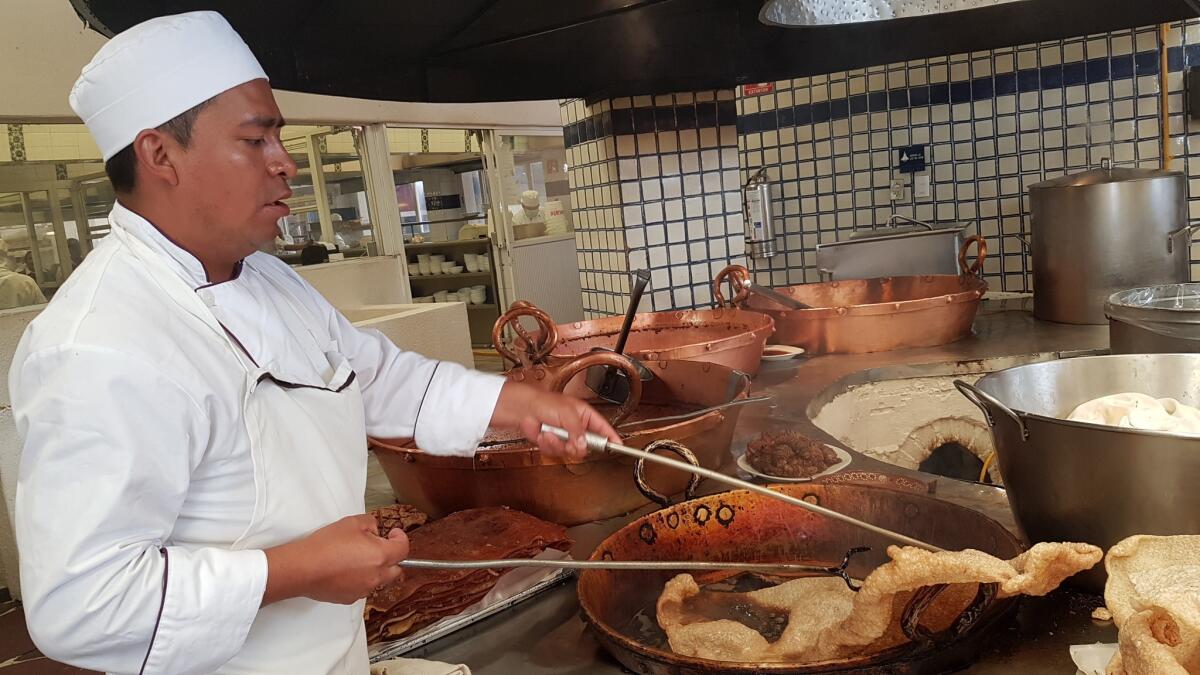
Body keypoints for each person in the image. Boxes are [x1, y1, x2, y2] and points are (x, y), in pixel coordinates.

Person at [10, 11, 619, 675]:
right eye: (256, 138)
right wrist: (296, 570)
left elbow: (377, 379)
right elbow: (81, 604)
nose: (285, 162)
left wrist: (523, 405)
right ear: (160, 154)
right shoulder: (98, 343)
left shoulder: (267, 278)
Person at [0, 240, 46, 309]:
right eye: (30, 258)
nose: (33, 260)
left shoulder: (28, 281)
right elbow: (42, 310)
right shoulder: (26, 282)